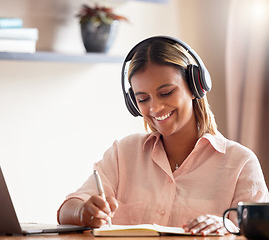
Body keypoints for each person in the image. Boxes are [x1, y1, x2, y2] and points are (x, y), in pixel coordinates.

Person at [57, 36, 268, 235]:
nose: (155, 107)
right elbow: (68, 208)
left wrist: (227, 228)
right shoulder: (123, 153)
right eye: (142, 99)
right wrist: (83, 212)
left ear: (196, 86)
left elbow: (258, 233)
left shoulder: (241, 163)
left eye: (166, 93)